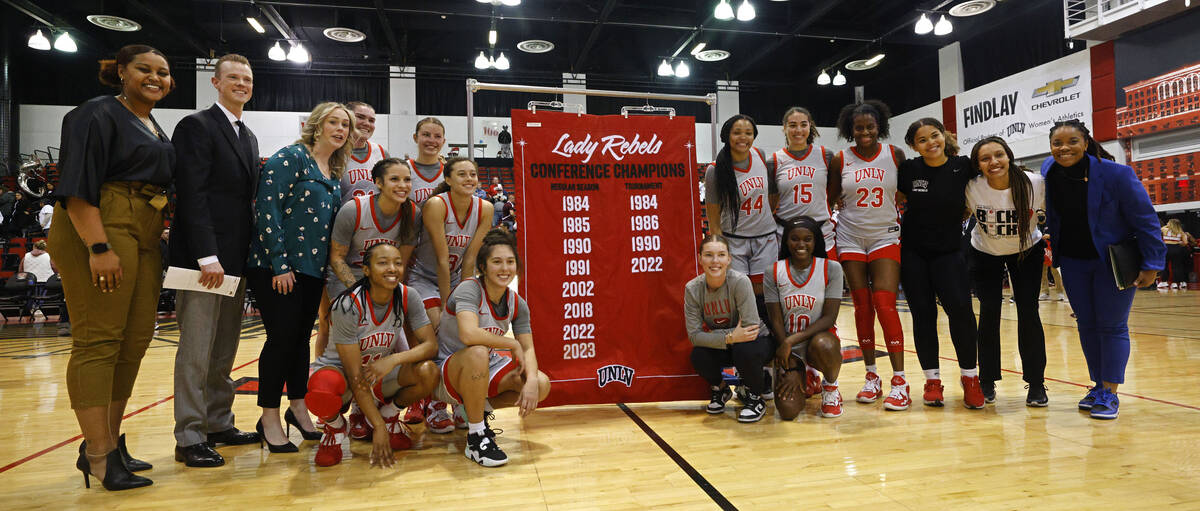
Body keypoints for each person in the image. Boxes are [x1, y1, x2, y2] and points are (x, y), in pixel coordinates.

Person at [48, 44, 174, 491]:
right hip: (100, 226)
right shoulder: (95, 113)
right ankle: (98, 455)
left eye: (163, 71)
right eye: (145, 69)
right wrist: (98, 246)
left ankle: (109, 442)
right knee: (98, 341)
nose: (155, 77)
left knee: (134, 341)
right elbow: (78, 185)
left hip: (141, 232)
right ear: (121, 71)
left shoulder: (151, 122)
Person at [168, 53, 261, 468]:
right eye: (234, 78)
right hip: (201, 260)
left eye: (247, 79)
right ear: (215, 82)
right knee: (196, 350)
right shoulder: (195, 126)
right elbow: (192, 194)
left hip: (234, 261)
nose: (241, 84)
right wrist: (207, 255)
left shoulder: (247, 134)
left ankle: (218, 422)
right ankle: (189, 436)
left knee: (224, 348)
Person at [1042, 119, 1165, 420]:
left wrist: (1152, 263)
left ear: (1086, 143)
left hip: (1112, 261)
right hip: (1072, 261)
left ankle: (1110, 393)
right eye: (1057, 143)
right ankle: (1097, 385)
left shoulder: (1117, 174)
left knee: (1112, 326)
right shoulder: (1049, 171)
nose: (1064, 148)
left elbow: (1146, 219)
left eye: (1072, 141)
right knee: (1086, 324)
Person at [246, 101, 352, 451]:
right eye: (334, 122)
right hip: (277, 267)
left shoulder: (334, 169)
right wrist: (279, 263)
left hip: (311, 270)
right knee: (280, 341)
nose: (340, 129)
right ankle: (269, 416)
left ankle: (298, 407)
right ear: (316, 124)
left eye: (345, 125)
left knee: (299, 341)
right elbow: (267, 207)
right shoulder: (291, 157)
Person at [305, 243, 439, 467]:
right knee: (320, 389)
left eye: (397, 263)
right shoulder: (348, 305)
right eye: (383, 263)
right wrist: (376, 428)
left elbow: (430, 345)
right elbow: (355, 375)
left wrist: (393, 359)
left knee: (428, 371)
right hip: (344, 377)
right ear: (366, 270)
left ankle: (389, 415)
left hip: (376, 373)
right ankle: (336, 427)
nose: (392, 268)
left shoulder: (408, 296)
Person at [432, 229, 550, 466]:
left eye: (510, 262)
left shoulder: (516, 302)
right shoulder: (469, 289)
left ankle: (474, 410)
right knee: (477, 351)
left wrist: (529, 383)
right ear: (483, 268)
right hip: (446, 371)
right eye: (496, 262)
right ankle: (476, 438)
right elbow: (469, 334)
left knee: (541, 383)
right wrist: (511, 342)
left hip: (481, 366)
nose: (504, 268)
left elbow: (528, 349)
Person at [326, 158, 420, 440]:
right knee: (356, 352)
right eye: (394, 179)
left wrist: (386, 290)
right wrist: (361, 292)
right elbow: (337, 257)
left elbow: (400, 263)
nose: (402, 186)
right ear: (377, 183)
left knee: (393, 350)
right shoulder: (353, 210)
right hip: (348, 282)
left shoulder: (410, 213)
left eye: (406, 180)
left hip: (387, 281)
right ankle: (349, 411)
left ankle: (382, 410)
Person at [895, 118, 985, 409]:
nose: (931, 143)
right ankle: (932, 380)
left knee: (961, 312)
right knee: (922, 316)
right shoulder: (908, 170)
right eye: (922, 140)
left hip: (950, 252)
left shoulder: (963, 166)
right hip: (914, 253)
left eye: (934, 136)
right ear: (913, 146)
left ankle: (970, 377)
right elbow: (896, 197)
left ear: (944, 135)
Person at [827, 100, 910, 410]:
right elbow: (831, 197)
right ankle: (871, 376)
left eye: (870, 127)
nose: (864, 132)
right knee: (862, 307)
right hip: (849, 237)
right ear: (850, 129)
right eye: (858, 127)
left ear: (880, 127)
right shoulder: (840, 159)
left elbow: (906, 191)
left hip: (884, 235)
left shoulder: (894, 155)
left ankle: (900, 381)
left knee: (885, 304)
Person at [408, 157, 493, 432]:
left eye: (473, 174)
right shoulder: (436, 204)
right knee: (438, 331)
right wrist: (448, 307)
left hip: (458, 276)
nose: (469, 179)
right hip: (424, 276)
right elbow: (443, 259)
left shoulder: (485, 208)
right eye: (461, 174)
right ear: (447, 179)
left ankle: (457, 398)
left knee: (463, 332)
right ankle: (434, 402)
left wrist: (465, 300)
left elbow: (469, 258)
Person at [966, 136, 1048, 406]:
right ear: (978, 165)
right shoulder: (971, 187)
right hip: (985, 251)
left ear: (1009, 155)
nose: (993, 162)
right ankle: (987, 380)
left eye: (998, 155)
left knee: (1028, 311)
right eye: (985, 158)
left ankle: (1036, 384)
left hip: (1027, 250)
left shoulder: (1034, 183)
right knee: (989, 313)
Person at [703, 114, 777, 398]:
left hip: (765, 239)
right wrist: (720, 252)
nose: (743, 138)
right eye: (737, 133)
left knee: (764, 303)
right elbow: (714, 219)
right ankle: (742, 372)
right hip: (734, 243)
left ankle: (765, 368)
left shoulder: (760, 155)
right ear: (726, 135)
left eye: (748, 132)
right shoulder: (715, 170)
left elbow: (772, 198)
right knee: (739, 307)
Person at [764, 217, 845, 420]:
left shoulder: (831, 269)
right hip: (788, 348)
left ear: (815, 241)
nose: (801, 244)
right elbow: (775, 320)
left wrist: (791, 340)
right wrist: (789, 360)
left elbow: (829, 318)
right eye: (794, 239)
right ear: (786, 242)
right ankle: (804, 374)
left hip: (818, 342)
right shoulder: (773, 271)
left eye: (807, 239)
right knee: (788, 412)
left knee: (824, 344)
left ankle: (830, 388)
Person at [684, 235, 771, 422]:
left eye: (721, 255)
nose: (715, 261)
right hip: (731, 342)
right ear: (700, 258)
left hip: (757, 341)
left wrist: (713, 335)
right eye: (708, 255)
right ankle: (721, 388)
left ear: (729, 259)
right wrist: (730, 337)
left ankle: (755, 397)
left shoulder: (740, 282)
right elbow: (693, 336)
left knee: (744, 349)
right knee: (698, 355)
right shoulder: (692, 289)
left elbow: (751, 328)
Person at [398, 116, 447, 427]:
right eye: (426, 134)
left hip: (442, 261)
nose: (431, 140)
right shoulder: (405, 172)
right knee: (413, 334)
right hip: (410, 259)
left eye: (437, 136)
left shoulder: (452, 173)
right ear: (415, 136)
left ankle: (438, 398)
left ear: (443, 140)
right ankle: (417, 397)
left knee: (441, 332)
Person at [770, 107, 836, 257]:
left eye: (803, 124)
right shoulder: (774, 161)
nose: (798, 130)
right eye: (792, 125)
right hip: (787, 234)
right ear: (784, 128)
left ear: (810, 126)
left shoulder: (826, 155)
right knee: (788, 281)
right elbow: (771, 204)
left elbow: (834, 192)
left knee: (828, 278)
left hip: (822, 232)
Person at [339, 101, 390, 202]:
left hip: (376, 216)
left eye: (371, 120)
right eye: (361, 117)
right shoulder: (334, 151)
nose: (366, 123)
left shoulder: (381, 152)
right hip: (345, 216)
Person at [1161, 219, 1193, 289]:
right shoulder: (1181, 232)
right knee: (1177, 267)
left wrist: (1168, 225)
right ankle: (1175, 283)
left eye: (1168, 222)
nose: (1167, 223)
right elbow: (1185, 242)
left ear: (1171, 223)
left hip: (1166, 249)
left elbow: (1161, 230)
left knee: (1165, 266)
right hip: (1177, 249)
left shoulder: (1164, 229)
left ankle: (1164, 282)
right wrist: (1178, 243)